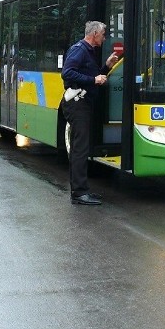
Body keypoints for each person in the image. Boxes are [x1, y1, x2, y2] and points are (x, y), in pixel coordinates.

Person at [61, 21, 120, 205]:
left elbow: (93, 78)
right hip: (77, 104)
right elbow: (67, 73)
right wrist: (93, 79)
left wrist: (106, 67)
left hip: (83, 103)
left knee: (82, 148)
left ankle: (81, 190)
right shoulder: (80, 50)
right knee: (80, 149)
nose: (104, 37)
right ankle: (78, 193)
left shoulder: (89, 51)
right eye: (103, 34)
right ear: (94, 34)